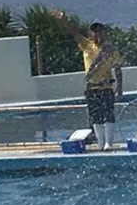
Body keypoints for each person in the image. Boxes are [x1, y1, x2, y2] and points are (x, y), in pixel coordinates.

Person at [53, 11, 124, 150]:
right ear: (91, 34)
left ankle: (109, 142)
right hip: (92, 88)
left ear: (104, 33)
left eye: (100, 31)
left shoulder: (111, 50)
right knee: (95, 116)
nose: (97, 34)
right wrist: (64, 20)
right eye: (95, 31)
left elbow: (117, 69)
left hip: (106, 86)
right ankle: (101, 143)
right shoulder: (87, 46)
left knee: (109, 114)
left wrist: (120, 86)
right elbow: (74, 33)